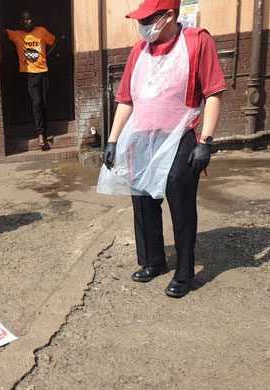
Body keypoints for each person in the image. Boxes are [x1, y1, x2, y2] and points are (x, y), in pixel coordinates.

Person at [97, 0, 226, 298]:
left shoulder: (197, 41)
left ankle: (184, 273)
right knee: (142, 201)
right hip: (141, 137)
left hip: (180, 136)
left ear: (169, 16)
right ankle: (153, 260)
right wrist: (114, 139)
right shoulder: (138, 51)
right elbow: (126, 98)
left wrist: (206, 141)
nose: (143, 26)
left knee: (180, 202)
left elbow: (214, 92)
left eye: (149, 19)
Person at [3, 11, 58, 150]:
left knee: (44, 103)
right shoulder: (18, 35)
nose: (28, 21)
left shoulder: (41, 31)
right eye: (25, 20)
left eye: (29, 19)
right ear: (21, 22)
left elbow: (55, 41)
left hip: (43, 71)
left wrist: (47, 56)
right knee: (37, 102)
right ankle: (40, 133)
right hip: (30, 75)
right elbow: (1, 30)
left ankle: (46, 131)